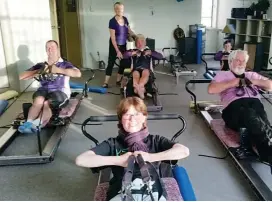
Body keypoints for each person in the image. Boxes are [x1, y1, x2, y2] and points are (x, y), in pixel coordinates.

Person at [76, 97, 189, 201]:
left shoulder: (155, 140)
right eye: (127, 114)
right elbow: (81, 160)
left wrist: (151, 157)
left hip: (152, 191)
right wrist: (119, 160)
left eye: (137, 114)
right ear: (121, 119)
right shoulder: (113, 143)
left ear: (144, 117)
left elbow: (184, 151)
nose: (132, 119)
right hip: (121, 192)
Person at [208, 50, 272, 163]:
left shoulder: (251, 75)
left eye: (243, 61)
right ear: (231, 61)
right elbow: (211, 89)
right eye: (238, 60)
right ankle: (268, 154)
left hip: (255, 105)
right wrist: (233, 83)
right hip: (233, 110)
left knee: (260, 118)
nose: (241, 63)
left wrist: (253, 81)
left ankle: (267, 147)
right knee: (249, 114)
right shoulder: (223, 75)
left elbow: (270, 86)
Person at [18, 40, 81, 133]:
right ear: (46, 51)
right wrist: (39, 70)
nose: (50, 49)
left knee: (46, 103)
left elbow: (78, 73)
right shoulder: (41, 65)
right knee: (38, 101)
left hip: (60, 92)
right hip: (43, 90)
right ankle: (28, 123)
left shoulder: (65, 64)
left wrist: (58, 70)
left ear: (58, 50)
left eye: (52, 47)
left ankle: (37, 124)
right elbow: (21, 76)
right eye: (48, 48)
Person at [102, 2, 135, 88]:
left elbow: (129, 30)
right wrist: (117, 51)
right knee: (111, 63)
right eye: (117, 9)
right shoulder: (112, 21)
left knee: (125, 63)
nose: (119, 10)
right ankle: (105, 82)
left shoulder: (125, 19)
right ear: (115, 10)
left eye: (121, 9)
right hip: (114, 45)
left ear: (123, 10)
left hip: (123, 44)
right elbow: (113, 38)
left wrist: (136, 37)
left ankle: (119, 80)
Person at [123, 34, 163, 99]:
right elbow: (124, 56)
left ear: (145, 43)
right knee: (136, 73)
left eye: (142, 42)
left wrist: (151, 53)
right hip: (135, 70)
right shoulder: (133, 51)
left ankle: (138, 87)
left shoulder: (149, 51)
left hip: (146, 70)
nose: (140, 44)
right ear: (136, 44)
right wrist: (132, 53)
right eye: (138, 42)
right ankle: (139, 88)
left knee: (146, 71)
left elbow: (160, 56)